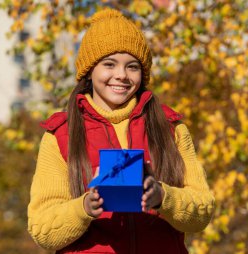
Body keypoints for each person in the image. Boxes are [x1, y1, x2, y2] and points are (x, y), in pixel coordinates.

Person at [28, 8, 215, 254]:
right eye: (109, 64)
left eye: (132, 66)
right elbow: (42, 230)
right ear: (89, 70)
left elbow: (202, 211)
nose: (121, 75)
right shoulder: (61, 134)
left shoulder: (171, 128)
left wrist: (163, 197)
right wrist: (84, 207)